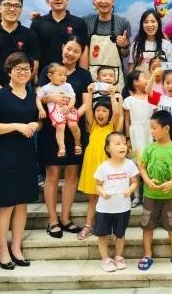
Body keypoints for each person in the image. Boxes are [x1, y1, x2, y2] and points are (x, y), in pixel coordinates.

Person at [0, 52, 40, 270]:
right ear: (9, 71)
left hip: (27, 155)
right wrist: (16, 126)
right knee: (6, 205)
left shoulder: (32, 95)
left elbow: (38, 121)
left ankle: (16, 248)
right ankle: (3, 250)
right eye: (18, 69)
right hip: (5, 155)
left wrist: (35, 125)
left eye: (27, 69)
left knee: (22, 204)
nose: (23, 72)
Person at [37, 35, 92, 239]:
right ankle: (53, 220)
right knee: (52, 174)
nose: (71, 54)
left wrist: (74, 114)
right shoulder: (49, 69)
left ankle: (66, 218)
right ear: (62, 47)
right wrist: (49, 97)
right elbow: (39, 96)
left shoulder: (84, 75)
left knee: (71, 174)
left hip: (74, 126)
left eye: (76, 51)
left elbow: (86, 102)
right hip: (51, 128)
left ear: (81, 54)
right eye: (69, 49)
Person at [137, 110, 172, 271]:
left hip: (170, 195)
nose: (151, 131)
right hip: (150, 195)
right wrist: (147, 181)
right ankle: (147, 254)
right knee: (147, 226)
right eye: (150, 128)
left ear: (166, 128)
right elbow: (142, 167)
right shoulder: (149, 148)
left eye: (154, 128)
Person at [77, 87, 122, 241]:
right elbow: (88, 110)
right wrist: (90, 93)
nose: (100, 113)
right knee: (93, 198)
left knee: (108, 198)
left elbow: (117, 114)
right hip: (93, 167)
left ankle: (110, 228)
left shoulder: (112, 127)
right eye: (98, 110)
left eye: (104, 111)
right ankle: (88, 225)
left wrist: (112, 95)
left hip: (108, 168)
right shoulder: (93, 126)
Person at [93, 132, 139, 272]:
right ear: (108, 148)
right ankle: (105, 259)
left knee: (120, 233)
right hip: (104, 208)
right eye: (117, 144)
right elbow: (97, 185)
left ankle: (118, 257)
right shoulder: (103, 166)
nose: (122, 146)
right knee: (103, 234)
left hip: (123, 207)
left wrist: (130, 190)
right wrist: (102, 192)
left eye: (124, 143)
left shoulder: (130, 164)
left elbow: (135, 182)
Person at [83, 0, 132, 91]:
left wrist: (124, 46)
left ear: (113, 1)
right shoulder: (86, 21)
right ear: (94, 1)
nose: (103, 1)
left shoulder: (123, 23)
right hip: (93, 76)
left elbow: (126, 54)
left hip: (115, 77)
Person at [30, 0, 89, 70]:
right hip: (45, 74)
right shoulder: (37, 23)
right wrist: (35, 75)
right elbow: (33, 52)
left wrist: (83, 74)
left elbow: (84, 51)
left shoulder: (79, 23)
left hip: (71, 74)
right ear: (47, 1)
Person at [36, 63, 82, 157]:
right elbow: (38, 99)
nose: (63, 77)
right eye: (60, 75)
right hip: (56, 111)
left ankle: (78, 143)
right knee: (60, 127)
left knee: (73, 124)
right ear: (50, 76)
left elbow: (73, 97)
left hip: (68, 107)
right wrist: (41, 109)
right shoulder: (45, 88)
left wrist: (69, 107)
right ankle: (61, 147)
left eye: (65, 75)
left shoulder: (67, 85)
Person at [123, 70, 155, 206]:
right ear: (135, 82)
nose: (147, 80)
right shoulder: (128, 100)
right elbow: (127, 121)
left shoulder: (151, 97)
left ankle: (148, 194)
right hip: (135, 133)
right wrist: (127, 138)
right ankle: (136, 195)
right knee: (135, 163)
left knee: (149, 162)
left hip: (149, 132)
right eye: (144, 78)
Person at [129, 9, 172, 73]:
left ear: (158, 24)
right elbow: (131, 68)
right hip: (141, 80)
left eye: (153, 21)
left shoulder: (167, 45)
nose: (150, 25)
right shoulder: (135, 45)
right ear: (142, 25)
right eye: (146, 22)